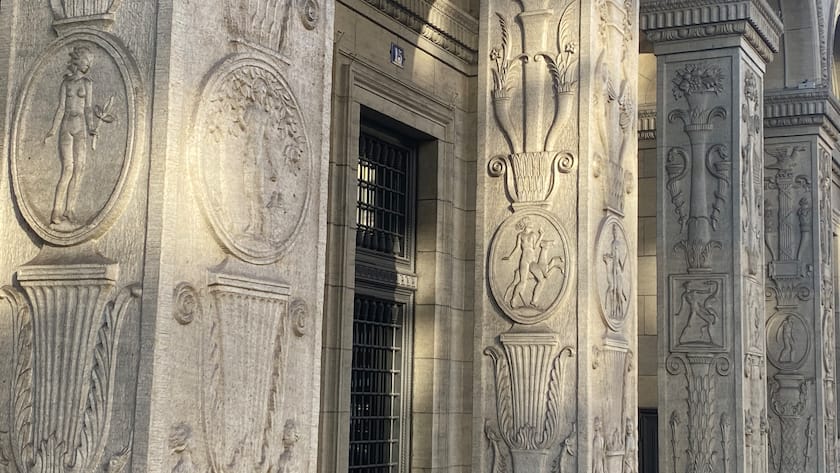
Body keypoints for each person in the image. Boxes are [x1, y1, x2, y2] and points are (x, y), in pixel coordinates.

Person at [44, 46, 96, 228]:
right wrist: (52, 130)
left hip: (80, 125)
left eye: (90, 62)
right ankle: (56, 211)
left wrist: (91, 127)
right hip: (66, 125)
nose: (88, 64)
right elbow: (60, 108)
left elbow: (88, 107)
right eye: (86, 60)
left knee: (79, 168)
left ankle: (70, 209)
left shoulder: (88, 83)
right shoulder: (66, 83)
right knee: (67, 168)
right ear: (78, 60)